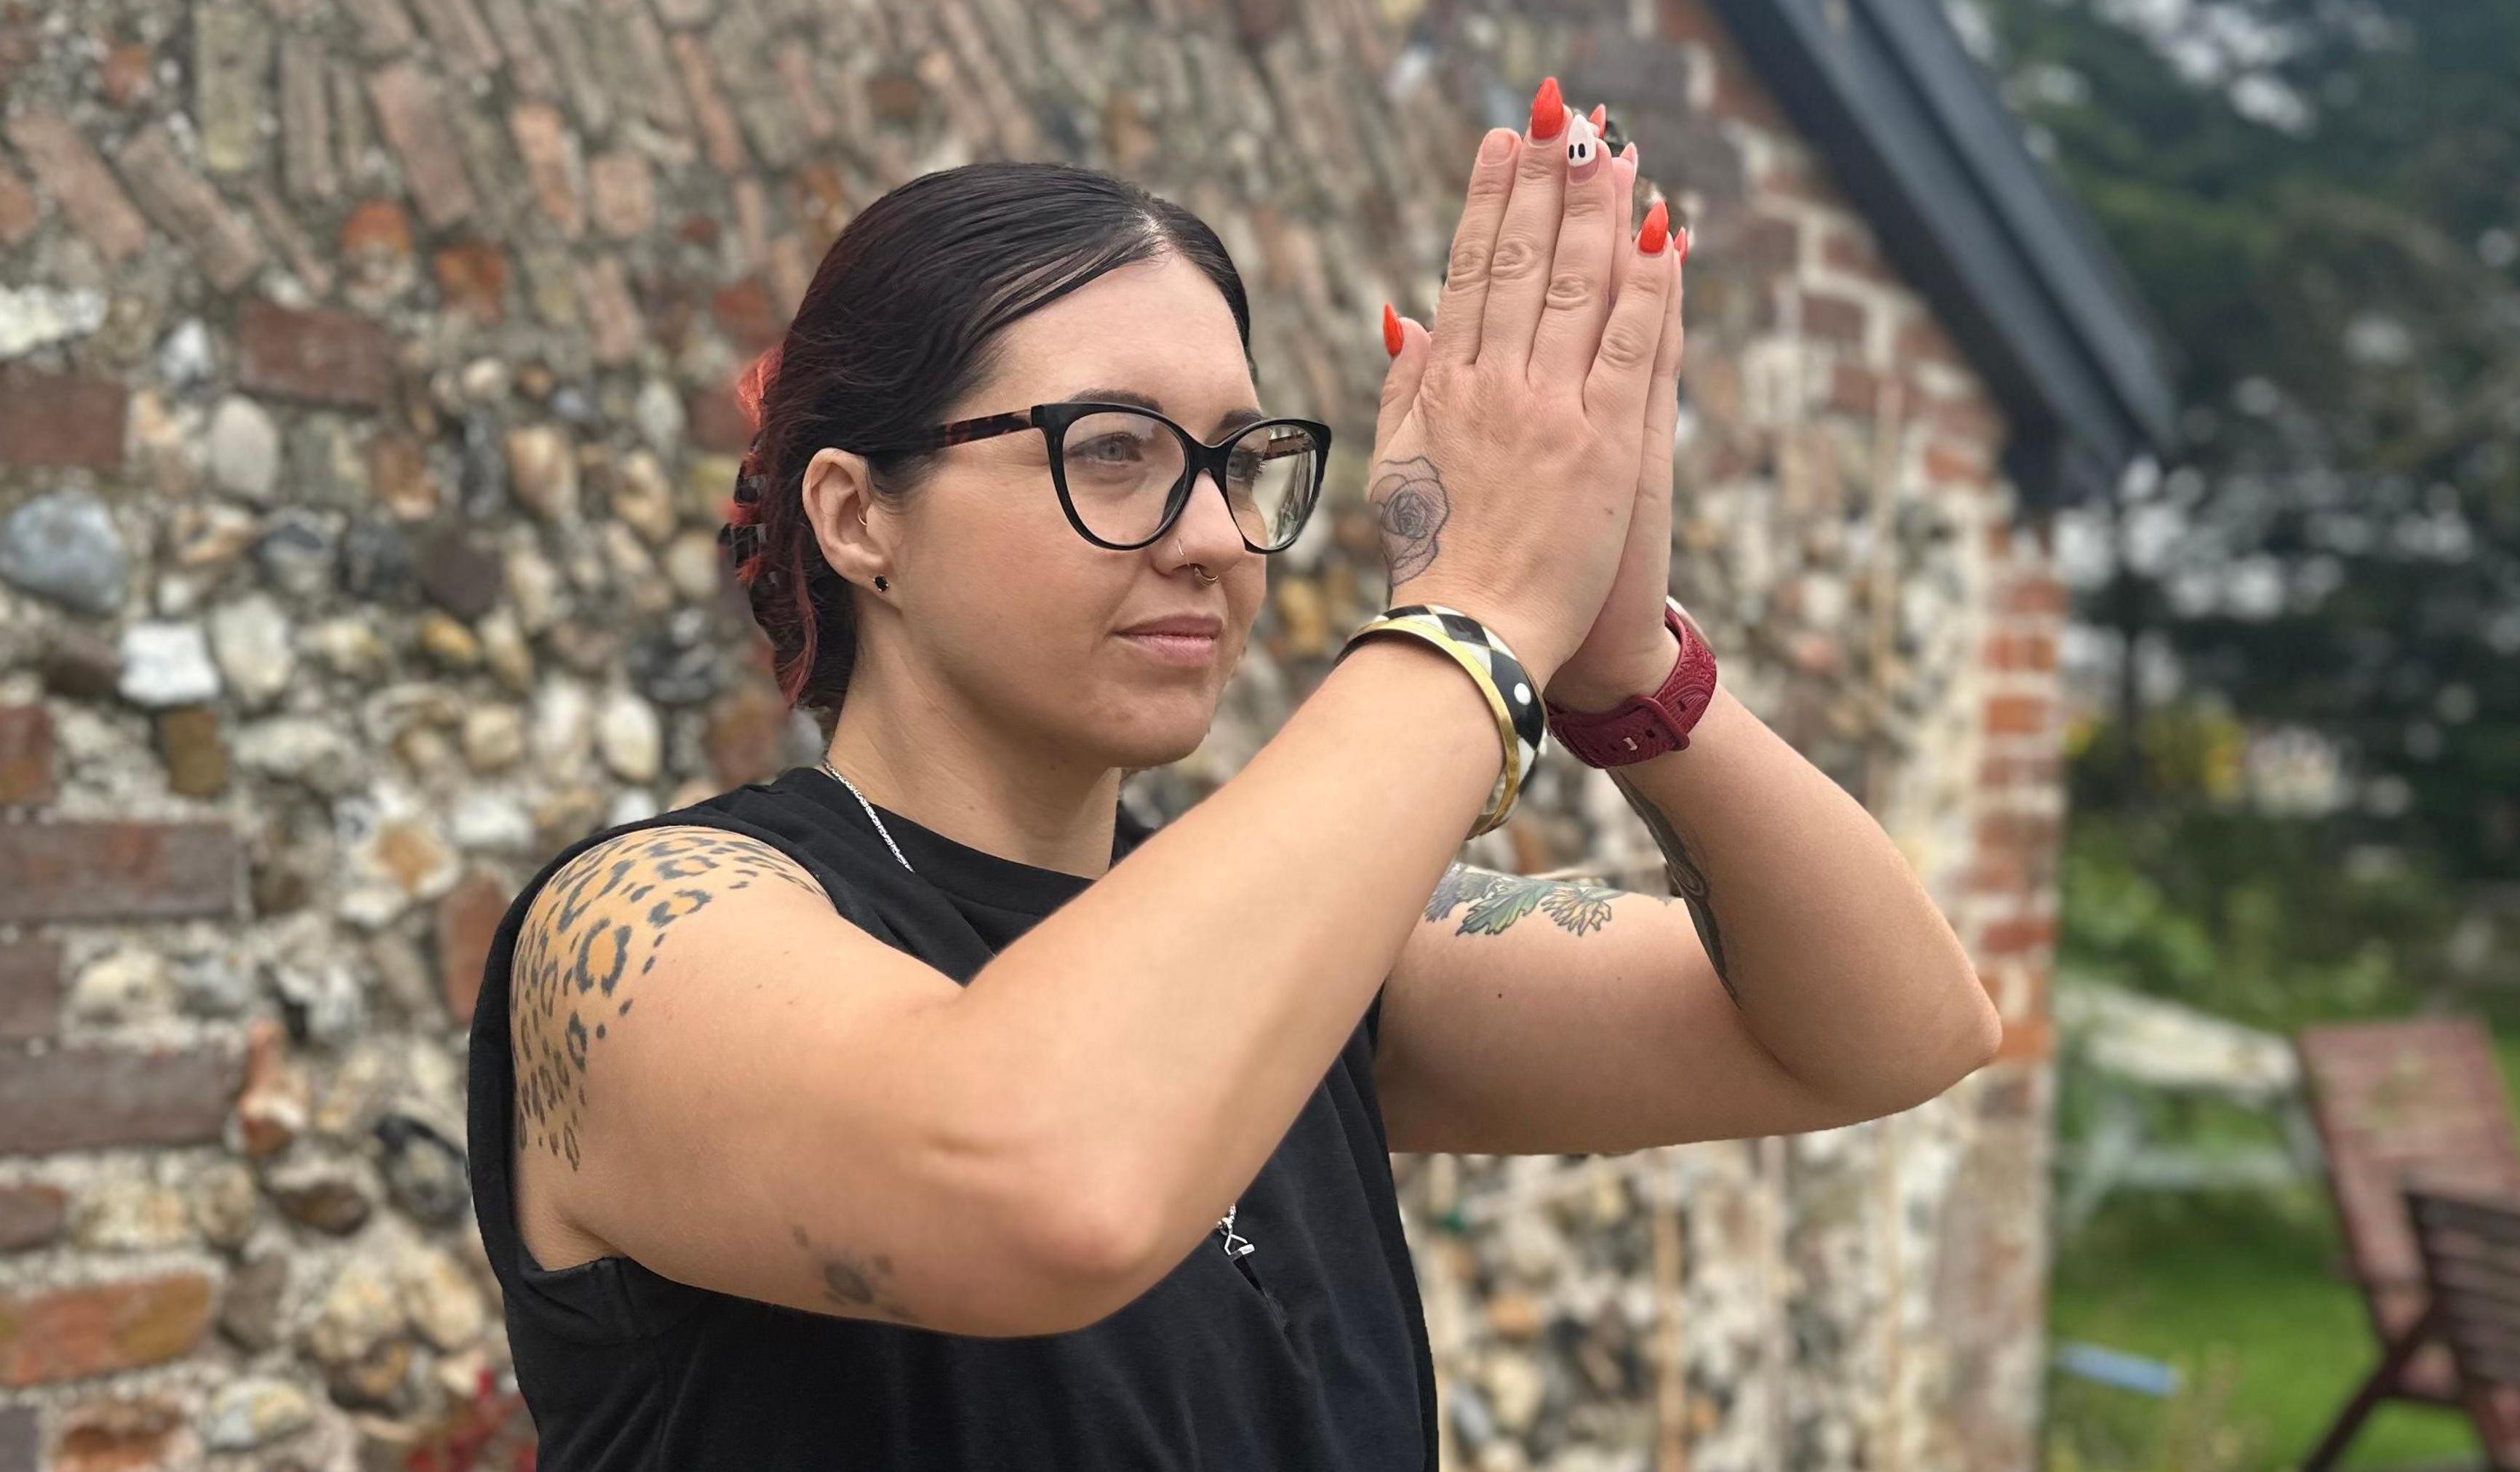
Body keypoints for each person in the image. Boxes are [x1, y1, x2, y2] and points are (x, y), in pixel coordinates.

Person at [463, 76, 2000, 1470]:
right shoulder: (645, 933)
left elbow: (1891, 1030)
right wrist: (1474, 633)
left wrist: (1620, 677)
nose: (1209, 535)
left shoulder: (1314, 964)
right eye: (1114, 449)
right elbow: (1045, 1183)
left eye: (1234, 458)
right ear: (860, 517)